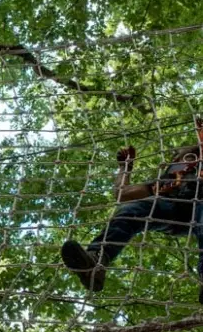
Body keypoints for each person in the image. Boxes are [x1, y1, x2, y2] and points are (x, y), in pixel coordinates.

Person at [61, 129, 203, 303]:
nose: (176, 156)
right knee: (132, 211)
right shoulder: (168, 180)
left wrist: (194, 146)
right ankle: (96, 261)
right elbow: (123, 194)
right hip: (174, 209)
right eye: (176, 156)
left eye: (180, 153)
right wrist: (125, 168)